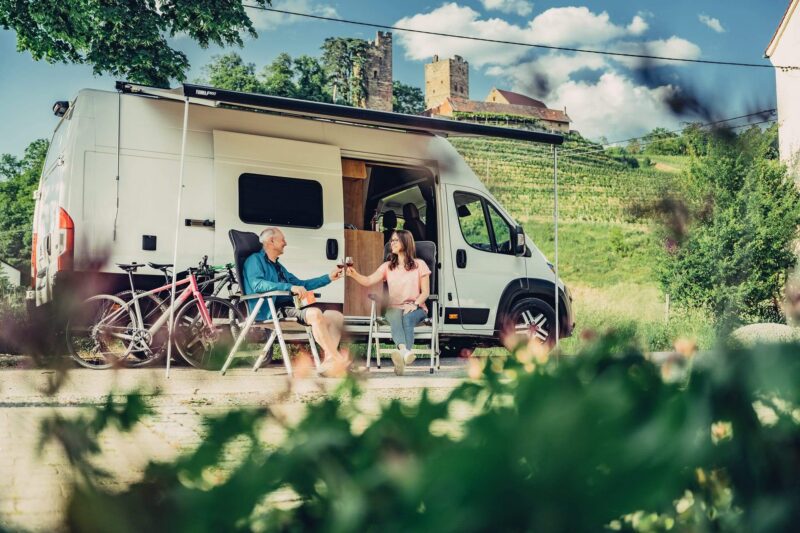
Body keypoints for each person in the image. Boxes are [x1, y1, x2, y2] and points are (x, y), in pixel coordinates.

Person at [243, 227, 345, 372]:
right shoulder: (254, 260)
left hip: (289, 308)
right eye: (282, 239)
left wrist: (328, 277)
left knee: (336, 316)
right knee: (315, 314)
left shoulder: (278, 267)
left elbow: (301, 285)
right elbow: (257, 284)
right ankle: (339, 360)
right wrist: (289, 287)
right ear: (271, 241)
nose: (285, 243)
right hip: (272, 310)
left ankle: (329, 362)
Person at [347, 229, 430, 375]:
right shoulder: (387, 266)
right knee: (395, 315)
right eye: (392, 240)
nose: (392, 243)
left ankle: (402, 353)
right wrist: (354, 274)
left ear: (405, 242)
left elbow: (426, 293)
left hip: (417, 307)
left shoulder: (420, 265)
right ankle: (405, 353)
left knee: (407, 317)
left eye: (395, 240)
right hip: (394, 308)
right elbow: (368, 281)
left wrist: (415, 304)